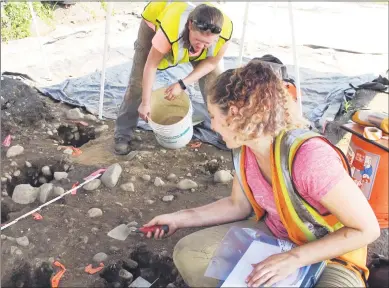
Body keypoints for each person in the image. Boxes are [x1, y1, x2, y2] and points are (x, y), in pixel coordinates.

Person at [143, 60, 381, 287]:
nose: (212, 126)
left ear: (236, 115)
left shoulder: (309, 158)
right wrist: (178, 218)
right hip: (278, 238)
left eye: (214, 116)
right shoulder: (245, 149)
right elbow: (238, 206)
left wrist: (293, 259)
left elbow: (367, 229)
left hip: (333, 251)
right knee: (190, 255)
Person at [114, 2, 233, 155]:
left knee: (215, 85)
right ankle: (123, 134)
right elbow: (151, 66)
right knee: (138, 83)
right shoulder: (170, 30)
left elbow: (211, 63)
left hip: (187, 26)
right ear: (190, 26)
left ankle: (225, 134)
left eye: (207, 43)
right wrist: (145, 102)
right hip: (155, 22)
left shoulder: (225, 31)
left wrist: (182, 84)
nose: (201, 46)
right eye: (198, 40)